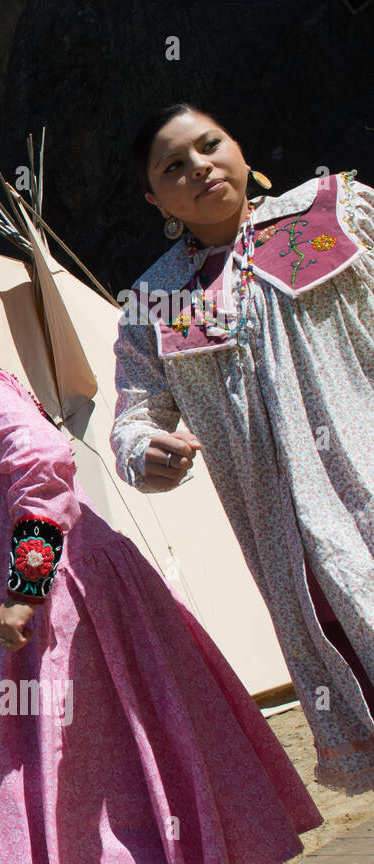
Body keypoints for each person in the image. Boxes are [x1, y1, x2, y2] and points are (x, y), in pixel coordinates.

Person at [0, 296, 322, 864]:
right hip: (27, 607)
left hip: (55, 603)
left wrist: (26, 586)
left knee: (83, 782)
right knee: (92, 778)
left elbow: (42, 456)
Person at [111, 102, 374, 794]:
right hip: (295, 546)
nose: (199, 166)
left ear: (238, 145)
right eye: (174, 166)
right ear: (153, 197)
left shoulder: (332, 213)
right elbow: (135, 413)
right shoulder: (157, 299)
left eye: (209, 145)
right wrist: (146, 451)